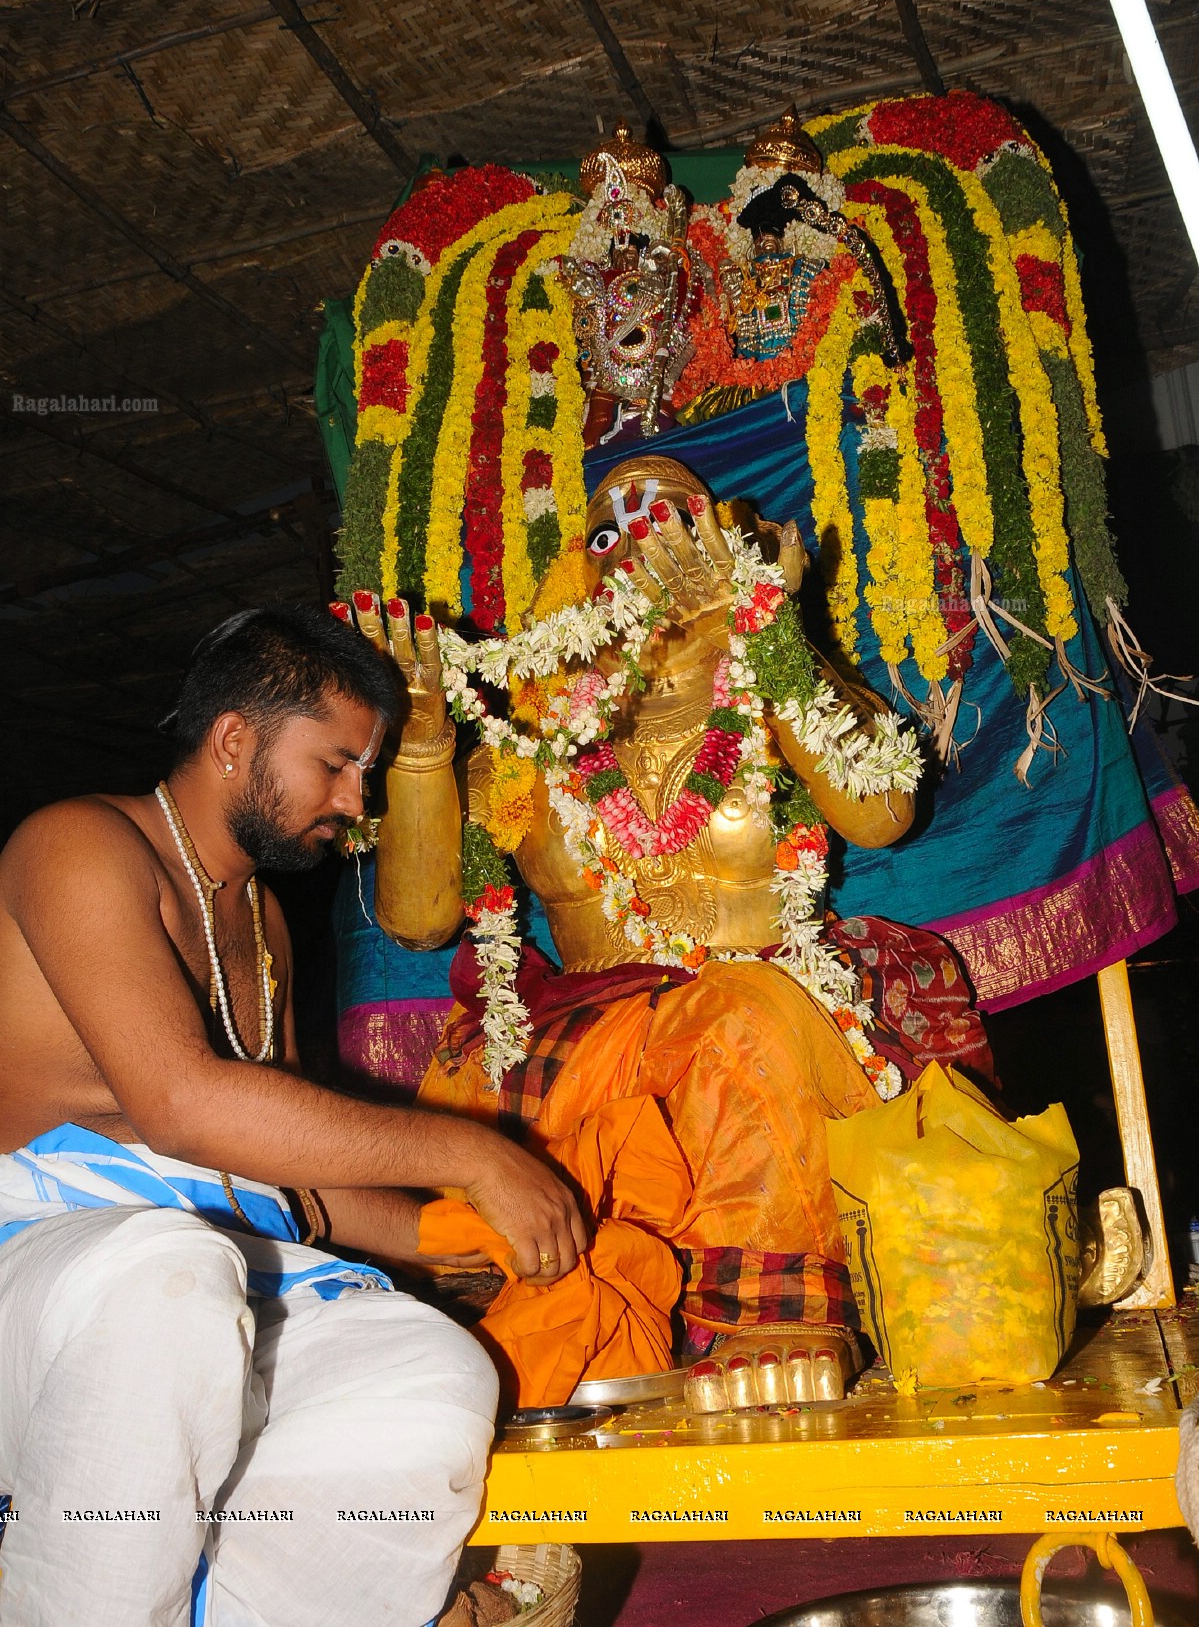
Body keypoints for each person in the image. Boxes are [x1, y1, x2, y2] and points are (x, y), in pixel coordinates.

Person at [0, 604, 585, 1627]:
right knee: (165, 1278)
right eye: (338, 764)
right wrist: (469, 1154)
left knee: (425, 1368)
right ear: (235, 741)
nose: (357, 799)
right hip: (45, 1266)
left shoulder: (261, 919)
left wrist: (460, 1235)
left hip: (212, 1263)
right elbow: (183, 1109)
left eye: (366, 770)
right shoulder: (79, 845)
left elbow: (278, 1175)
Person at [357, 456, 984, 1411]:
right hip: (590, 1023)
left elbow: (881, 811)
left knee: (735, 1017)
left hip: (762, 1002)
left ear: (718, 540)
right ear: (580, 572)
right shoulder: (532, 733)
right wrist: (421, 746)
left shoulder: (762, 682)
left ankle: (772, 1316)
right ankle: (513, 1311)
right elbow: (417, 919)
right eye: (607, 531)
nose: (636, 544)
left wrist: (768, 626)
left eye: (666, 519)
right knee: (479, 1058)